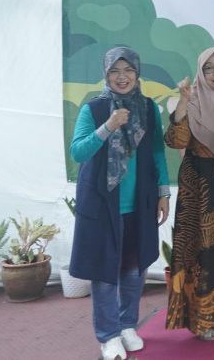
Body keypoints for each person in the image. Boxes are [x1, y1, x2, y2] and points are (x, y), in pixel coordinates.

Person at [69, 46, 171, 360]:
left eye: (128, 70)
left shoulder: (148, 107)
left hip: (139, 202)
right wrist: (108, 127)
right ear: (106, 74)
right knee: (104, 273)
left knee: (135, 269)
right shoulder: (95, 109)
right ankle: (108, 335)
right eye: (115, 71)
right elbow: (78, 152)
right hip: (102, 205)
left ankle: (127, 325)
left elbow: (157, 151)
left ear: (137, 73)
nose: (122, 77)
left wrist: (163, 193)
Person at [164, 48, 214, 341]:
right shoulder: (190, 102)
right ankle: (202, 318)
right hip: (199, 188)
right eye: (209, 68)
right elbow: (176, 141)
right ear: (201, 72)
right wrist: (184, 101)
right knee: (201, 252)